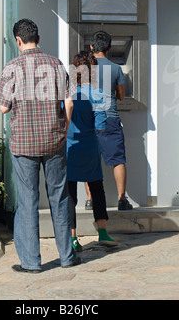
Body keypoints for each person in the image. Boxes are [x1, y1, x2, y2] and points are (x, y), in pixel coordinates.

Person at [0, 18, 80, 273]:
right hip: (54, 141)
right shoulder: (55, 64)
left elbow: (2, 107)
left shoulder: (12, 67)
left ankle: (31, 263)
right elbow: (70, 102)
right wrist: (63, 131)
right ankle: (67, 256)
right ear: (38, 39)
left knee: (28, 200)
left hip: (24, 145)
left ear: (17, 41)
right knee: (60, 197)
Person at [66, 51, 118, 251]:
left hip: (71, 147)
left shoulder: (69, 92)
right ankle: (103, 233)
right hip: (90, 147)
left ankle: (72, 238)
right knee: (97, 189)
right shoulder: (98, 94)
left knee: (70, 193)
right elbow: (101, 126)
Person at [90, 31, 133, 211]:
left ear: (91, 47)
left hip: (90, 119)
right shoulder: (116, 68)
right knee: (118, 160)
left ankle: (89, 199)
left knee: (91, 160)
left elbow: (83, 95)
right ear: (109, 48)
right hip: (110, 118)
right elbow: (121, 96)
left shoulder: (86, 68)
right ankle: (122, 199)